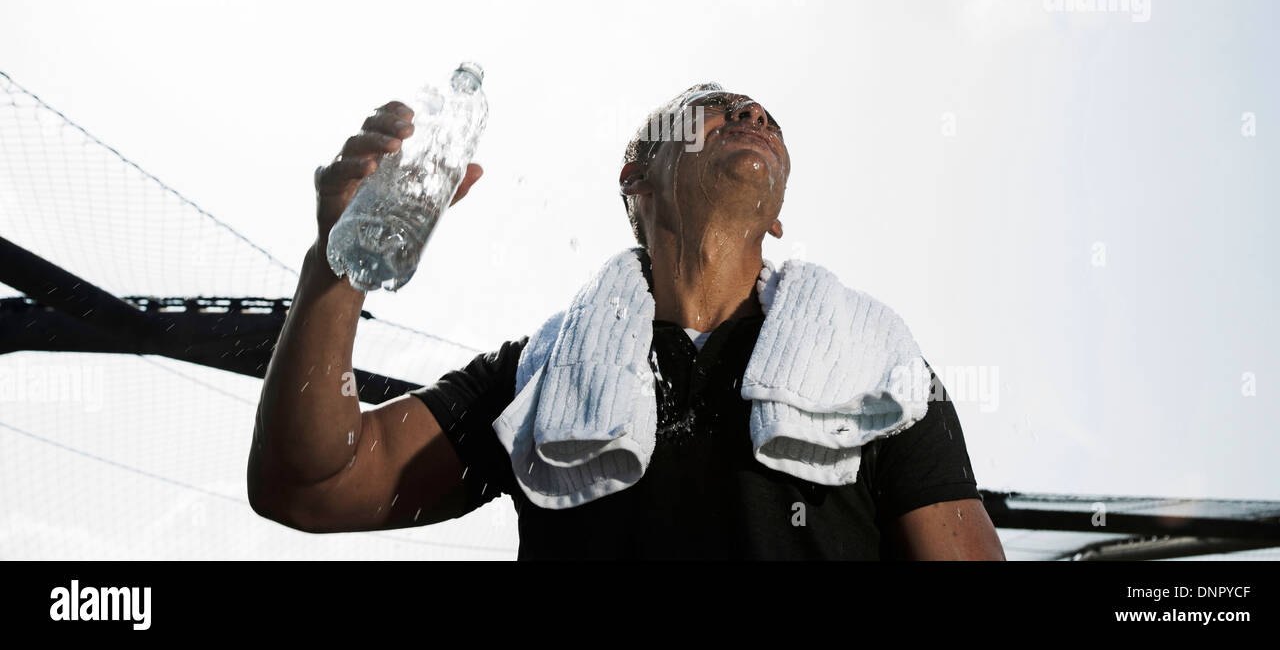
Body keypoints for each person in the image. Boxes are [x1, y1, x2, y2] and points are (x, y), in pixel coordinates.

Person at [247, 83, 1006, 559]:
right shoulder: (539, 376)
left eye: (764, 116)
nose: (750, 114)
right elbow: (313, 483)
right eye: (715, 107)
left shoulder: (875, 368)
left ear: (777, 219)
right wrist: (336, 266)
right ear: (635, 173)